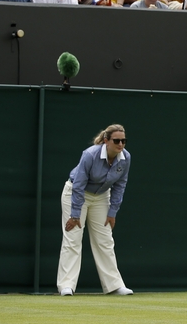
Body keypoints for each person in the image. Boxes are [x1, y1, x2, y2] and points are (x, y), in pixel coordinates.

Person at [57, 124, 134, 297]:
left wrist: (112, 212)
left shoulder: (126, 157)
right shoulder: (90, 154)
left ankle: (114, 286)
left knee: (105, 240)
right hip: (75, 194)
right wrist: (75, 214)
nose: (121, 144)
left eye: (123, 141)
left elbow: (120, 185)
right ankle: (66, 286)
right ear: (106, 140)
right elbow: (78, 184)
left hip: (101, 197)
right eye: (116, 141)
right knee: (73, 239)